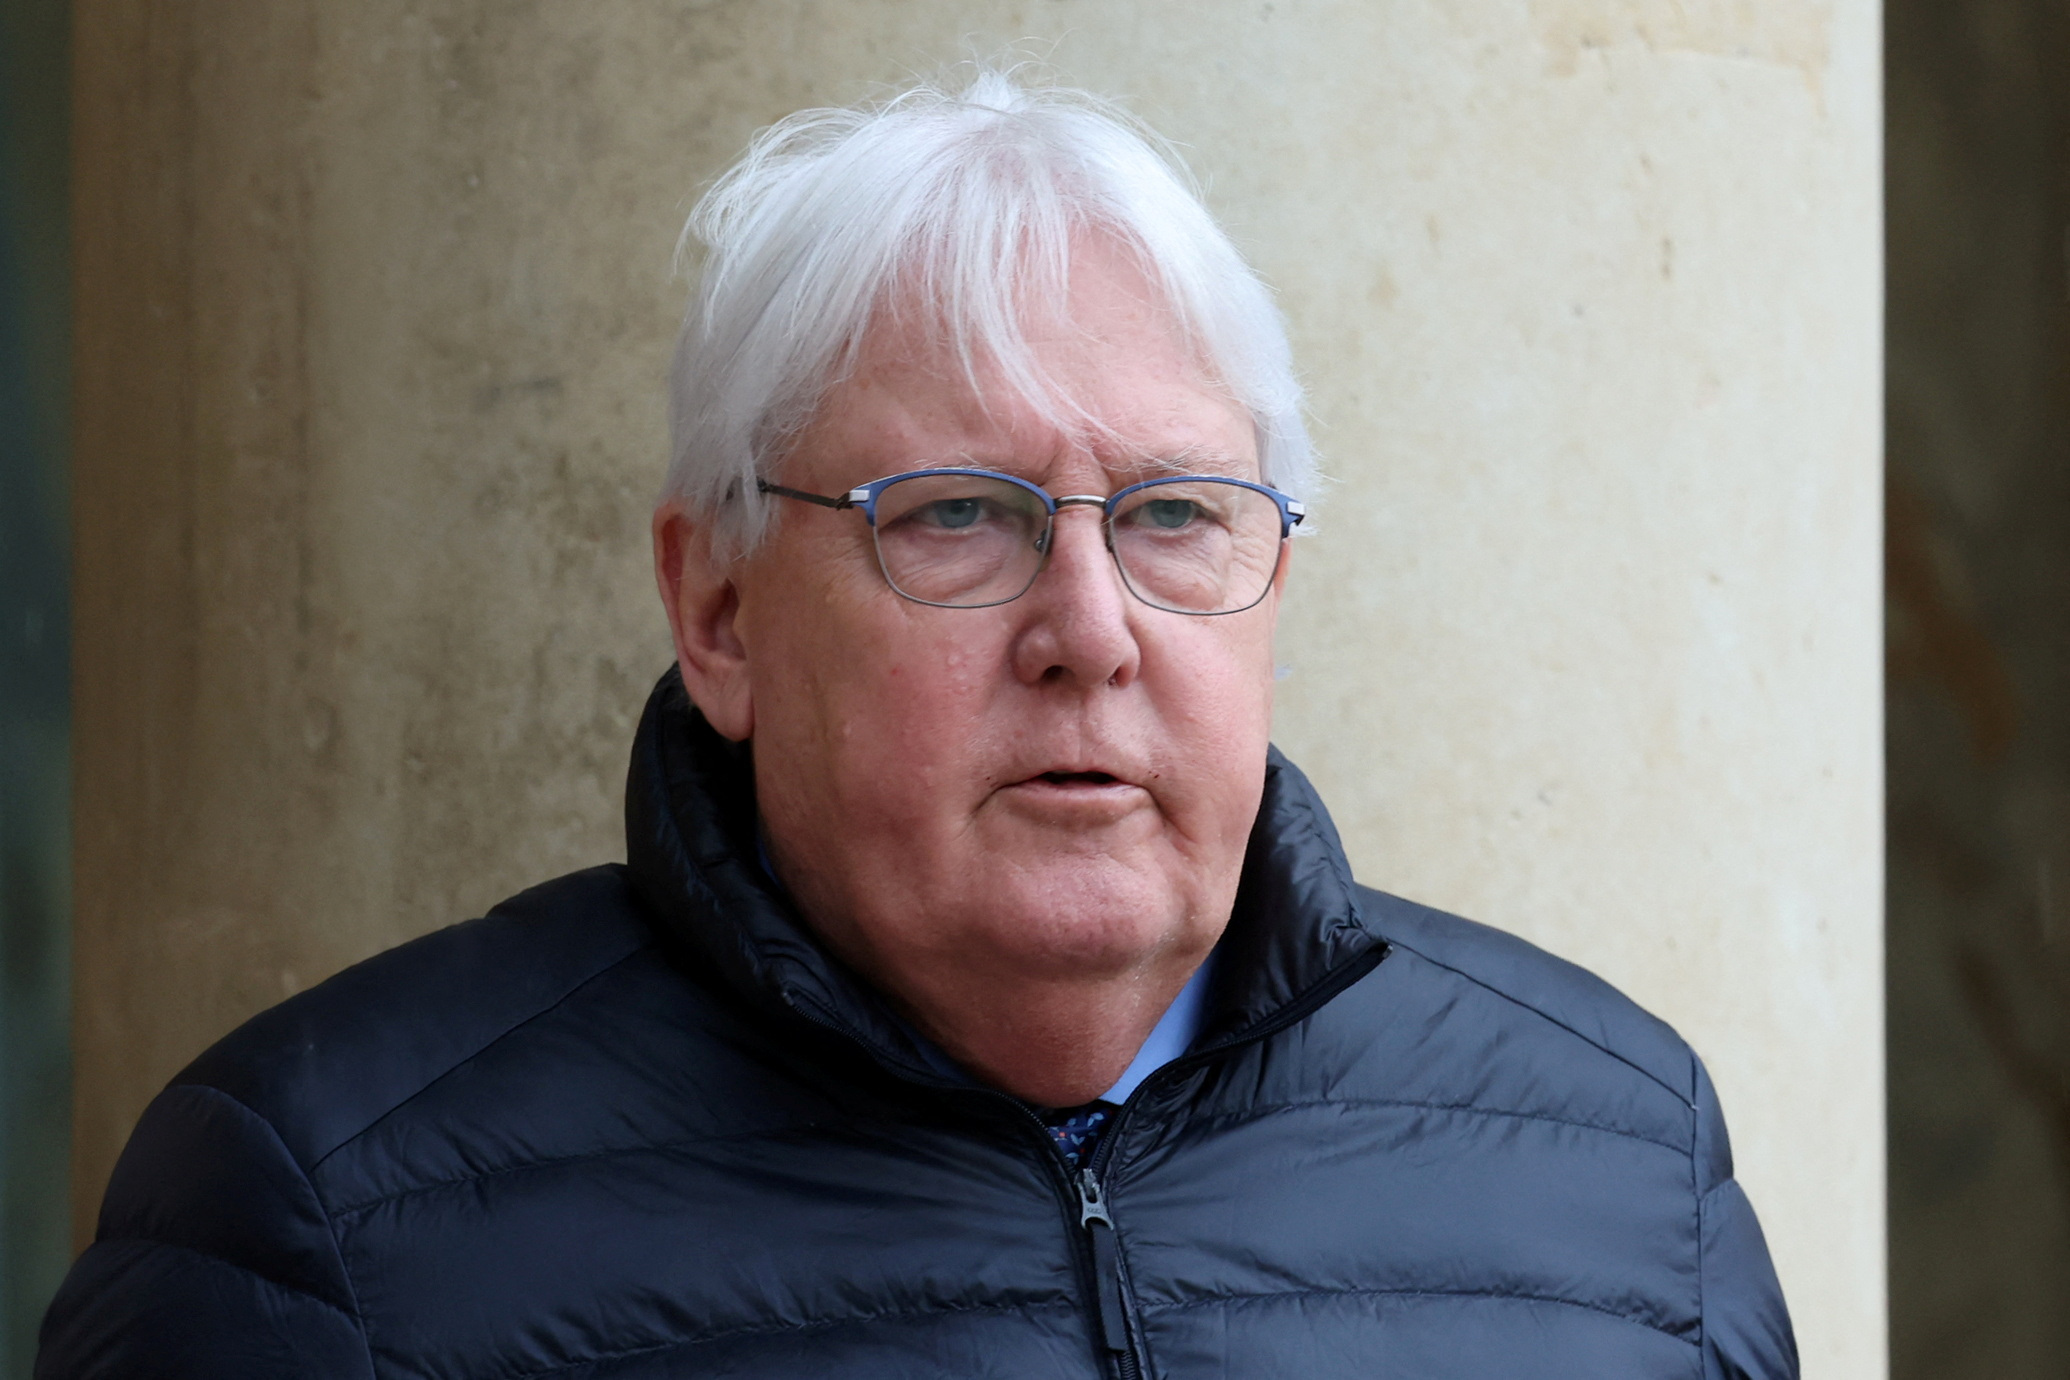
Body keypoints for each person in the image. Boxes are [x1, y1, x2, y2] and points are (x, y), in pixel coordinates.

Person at [38, 71, 1796, 1379]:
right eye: (957, 515)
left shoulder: (1623, 1164)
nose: (1089, 633)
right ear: (716, 609)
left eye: (1178, 515)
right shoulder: (316, 1221)